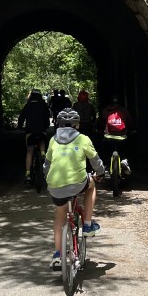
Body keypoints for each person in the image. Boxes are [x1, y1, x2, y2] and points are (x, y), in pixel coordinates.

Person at [43, 108, 105, 269]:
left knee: (60, 215)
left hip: (55, 185)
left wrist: (47, 177)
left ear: (58, 124)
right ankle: (88, 224)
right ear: (77, 125)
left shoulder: (52, 140)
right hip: (77, 183)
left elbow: (46, 164)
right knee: (91, 185)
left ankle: (58, 254)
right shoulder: (83, 139)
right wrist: (100, 173)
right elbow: (95, 160)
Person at [17, 88, 50, 183]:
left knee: (29, 152)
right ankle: (43, 153)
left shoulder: (27, 106)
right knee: (42, 139)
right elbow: (47, 118)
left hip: (30, 132)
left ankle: (27, 173)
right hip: (41, 131)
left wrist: (19, 126)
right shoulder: (43, 106)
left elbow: (21, 118)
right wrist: (46, 126)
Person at [99, 96, 134, 177]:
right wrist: (133, 129)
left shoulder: (105, 111)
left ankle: (107, 166)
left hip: (108, 137)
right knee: (125, 148)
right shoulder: (124, 111)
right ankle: (124, 160)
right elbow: (130, 122)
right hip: (122, 137)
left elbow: (100, 123)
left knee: (106, 151)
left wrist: (99, 129)